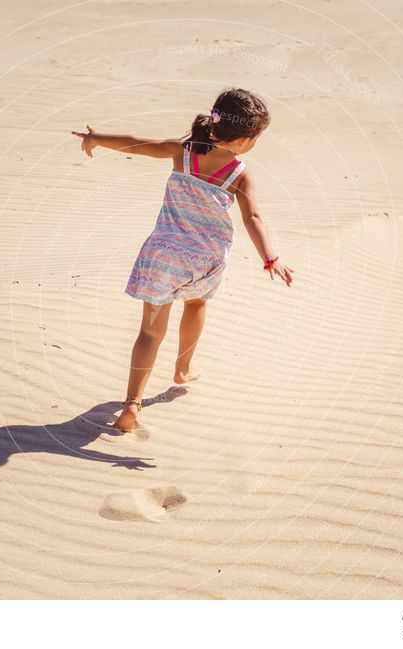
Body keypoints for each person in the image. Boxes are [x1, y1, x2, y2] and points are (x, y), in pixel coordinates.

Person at [72, 88, 294, 433]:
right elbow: (254, 218)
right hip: (204, 260)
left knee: (149, 331)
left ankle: (132, 401)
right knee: (196, 304)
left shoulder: (183, 152)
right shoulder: (239, 174)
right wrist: (270, 257)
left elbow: (135, 143)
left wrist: (96, 138)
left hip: (162, 255)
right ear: (246, 139)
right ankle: (183, 368)